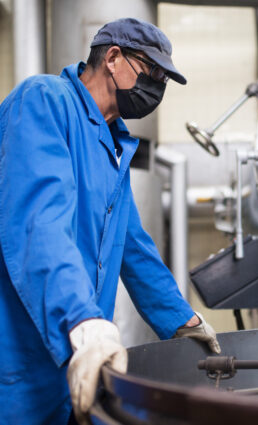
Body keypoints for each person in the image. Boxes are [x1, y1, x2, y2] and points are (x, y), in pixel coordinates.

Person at [0, 17, 220, 425]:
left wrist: (184, 322)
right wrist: (83, 322)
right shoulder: (44, 102)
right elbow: (38, 224)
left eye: (163, 79)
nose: (157, 87)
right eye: (151, 72)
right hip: (21, 364)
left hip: (80, 364)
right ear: (113, 58)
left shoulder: (112, 143)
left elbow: (134, 248)